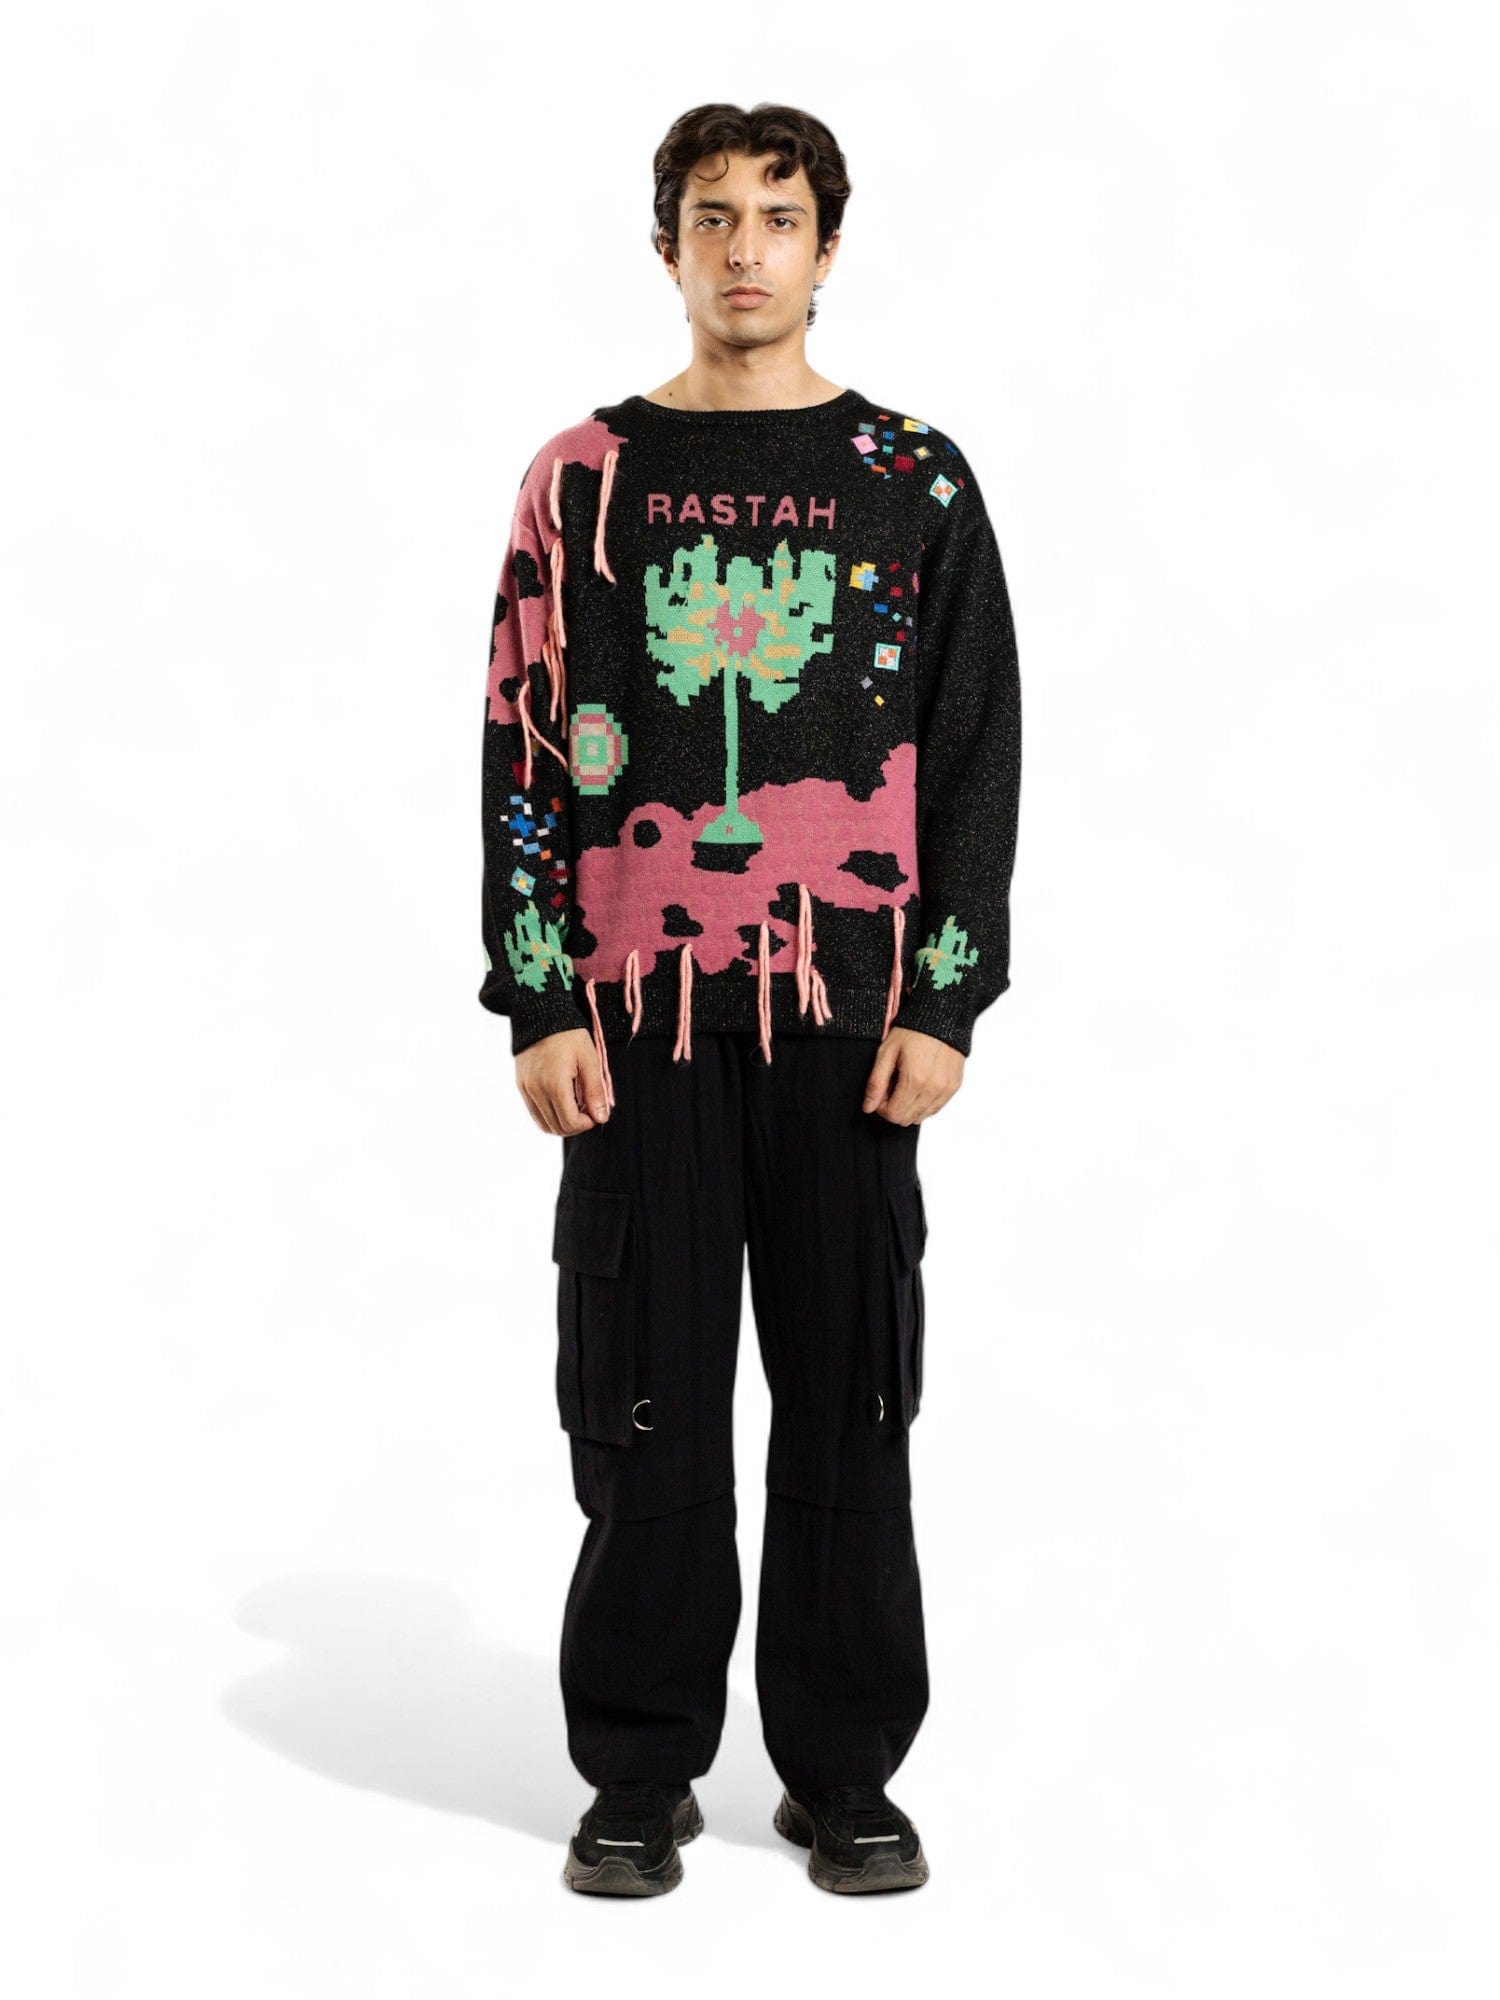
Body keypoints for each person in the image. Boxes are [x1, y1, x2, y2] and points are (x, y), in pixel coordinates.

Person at [478, 101, 1021, 1897]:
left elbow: (972, 745)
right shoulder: (584, 478)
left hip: (849, 1023)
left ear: (826, 248)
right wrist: (538, 992)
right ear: (666, 247)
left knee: (852, 1393)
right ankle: (639, 1770)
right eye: (711, 216)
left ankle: (844, 1768)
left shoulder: (910, 479)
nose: (744, 249)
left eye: (778, 217)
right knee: (643, 1393)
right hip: (637, 1023)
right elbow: (525, 739)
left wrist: (946, 996)